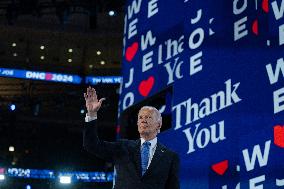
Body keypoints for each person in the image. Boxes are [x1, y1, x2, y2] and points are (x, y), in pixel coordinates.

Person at [83, 86, 180, 189]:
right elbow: (91, 145)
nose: (143, 120)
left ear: (158, 125)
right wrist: (92, 114)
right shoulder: (123, 146)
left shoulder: (170, 157)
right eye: (140, 118)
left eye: (148, 117)